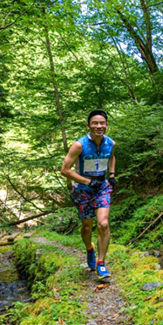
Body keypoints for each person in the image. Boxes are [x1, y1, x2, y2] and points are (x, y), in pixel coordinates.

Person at [61, 110, 116, 280]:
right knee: (86, 227)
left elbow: (112, 157)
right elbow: (64, 170)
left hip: (102, 187)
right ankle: (89, 249)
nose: (99, 126)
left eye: (102, 123)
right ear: (88, 125)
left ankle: (101, 263)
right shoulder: (79, 145)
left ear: (106, 125)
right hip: (83, 190)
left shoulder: (110, 143)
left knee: (103, 224)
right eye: (95, 123)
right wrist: (87, 182)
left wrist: (112, 174)